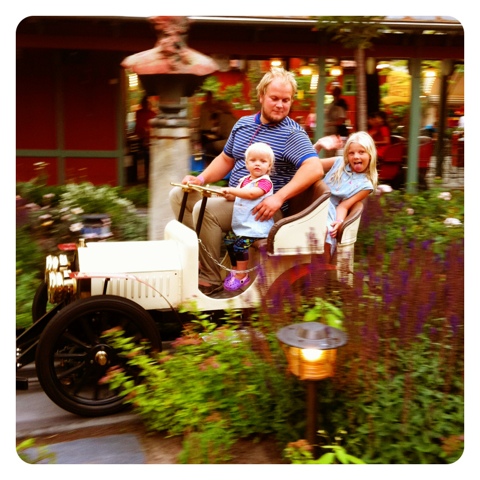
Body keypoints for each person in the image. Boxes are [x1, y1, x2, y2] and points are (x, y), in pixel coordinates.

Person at [169, 67, 341, 295]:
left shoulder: (292, 134)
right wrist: (200, 179)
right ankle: (203, 259)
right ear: (261, 96)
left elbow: (314, 168)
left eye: (286, 100)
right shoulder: (243, 124)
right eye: (274, 98)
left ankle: (211, 279)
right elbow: (226, 159)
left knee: (205, 210)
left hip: (263, 208)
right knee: (179, 195)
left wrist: (278, 198)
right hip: (238, 197)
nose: (280, 105)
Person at [221, 142, 275, 291]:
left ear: (269, 166)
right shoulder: (245, 180)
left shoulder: (265, 182)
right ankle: (235, 269)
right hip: (244, 224)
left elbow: (251, 194)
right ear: (246, 163)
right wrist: (228, 195)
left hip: (256, 226)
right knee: (229, 240)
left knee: (239, 246)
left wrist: (231, 190)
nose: (257, 164)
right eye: (253, 160)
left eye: (263, 161)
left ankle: (242, 276)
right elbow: (239, 196)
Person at [320, 131, 378, 262]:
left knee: (327, 231)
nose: (356, 156)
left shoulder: (365, 185)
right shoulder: (339, 163)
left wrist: (339, 221)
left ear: (370, 155)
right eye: (351, 153)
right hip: (314, 201)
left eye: (361, 152)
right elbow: (311, 165)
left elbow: (343, 206)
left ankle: (322, 270)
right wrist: (318, 146)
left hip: (329, 210)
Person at [134, 95, 156, 182]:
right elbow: (138, 125)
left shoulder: (152, 113)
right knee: (141, 158)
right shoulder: (139, 113)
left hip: (150, 138)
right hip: (141, 138)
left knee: (149, 158)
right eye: (145, 103)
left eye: (147, 103)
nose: (146, 105)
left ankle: (148, 177)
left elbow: (154, 127)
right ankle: (141, 177)